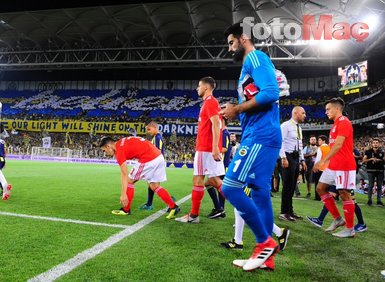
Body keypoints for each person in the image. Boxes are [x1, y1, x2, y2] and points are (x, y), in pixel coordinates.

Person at [219, 22, 282, 272]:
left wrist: (237, 109)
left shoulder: (255, 57)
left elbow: (271, 92)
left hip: (260, 134)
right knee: (259, 193)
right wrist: (237, 111)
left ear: (243, 38)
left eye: (231, 43)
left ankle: (264, 243)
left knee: (230, 187)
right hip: (262, 133)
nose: (229, 49)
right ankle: (267, 259)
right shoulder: (249, 65)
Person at [175, 76, 225, 223]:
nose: (197, 88)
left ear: (206, 87)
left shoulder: (210, 102)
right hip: (207, 148)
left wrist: (215, 147)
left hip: (206, 148)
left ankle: (194, 215)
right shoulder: (209, 103)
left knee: (200, 180)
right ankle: (245, 208)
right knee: (213, 181)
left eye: (199, 86)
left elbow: (216, 124)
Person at [99, 136, 179, 219]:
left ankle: (126, 210)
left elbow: (124, 173)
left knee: (129, 180)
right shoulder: (122, 142)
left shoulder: (119, 150)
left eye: (104, 150)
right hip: (159, 156)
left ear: (108, 146)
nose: (105, 153)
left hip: (149, 158)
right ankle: (173, 207)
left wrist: (123, 194)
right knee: (154, 186)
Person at [313, 97, 357, 238]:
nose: (326, 112)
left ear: (337, 108)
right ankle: (338, 219)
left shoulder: (344, 122)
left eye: (328, 109)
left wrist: (322, 161)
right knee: (320, 188)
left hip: (344, 165)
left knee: (344, 193)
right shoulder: (335, 125)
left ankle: (350, 229)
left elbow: (338, 145)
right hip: (334, 165)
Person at [220, 185, 290, 252]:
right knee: (241, 207)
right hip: (250, 179)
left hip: (251, 179)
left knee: (242, 206)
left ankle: (279, 232)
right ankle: (237, 242)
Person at [279, 106, 307, 221]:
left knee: (292, 185)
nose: (305, 115)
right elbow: (280, 141)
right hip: (288, 156)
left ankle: (290, 211)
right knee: (287, 185)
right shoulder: (285, 125)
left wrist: (302, 160)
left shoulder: (298, 128)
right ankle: (284, 212)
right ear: (295, 113)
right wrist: (283, 157)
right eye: (303, 113)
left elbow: (299, 145)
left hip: (295, 157)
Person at [206, 119, 231, 219]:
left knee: (217, 185)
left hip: (222, 164)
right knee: (209, 183)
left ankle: (220, 209)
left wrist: (213, 150)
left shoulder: (225, 132)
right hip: (219, 164)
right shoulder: (222, 132)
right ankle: (219, 208)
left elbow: (225, 148)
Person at [139, 121, 165, 211]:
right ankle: (149, 204)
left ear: (155, 127)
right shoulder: (155, 138)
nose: (148, 131)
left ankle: (171, 203)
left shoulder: (157, 138)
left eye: (149, 129)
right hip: (156, 163)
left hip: (156, 163)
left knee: (154, 185)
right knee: (151, 184)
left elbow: (158, 152)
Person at [362, 138, 384, 206]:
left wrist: (379, 160)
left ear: (379, 144)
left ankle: (379, 201)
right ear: (372, 144)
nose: (375, 144)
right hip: (371, 170)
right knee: (371, 185)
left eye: (376, 143)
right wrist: (371, 159)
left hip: (380, 171)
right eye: (374, 143)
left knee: (379, 186)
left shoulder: (382, 152)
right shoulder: (368, 151)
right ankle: (369, 200)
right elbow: (363, 160)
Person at [312, 135, 330, 201]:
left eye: (319, 140)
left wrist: (315, 166)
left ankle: (318, 197)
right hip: (327, 168)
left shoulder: (320, 148)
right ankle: (326, 197)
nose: (318, 141)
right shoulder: (329, 147)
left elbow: (318, 158)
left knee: (318, 183)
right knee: (326, 184)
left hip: (320, 168)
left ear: (323, 141)